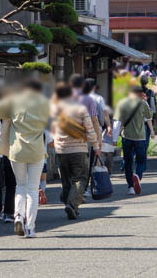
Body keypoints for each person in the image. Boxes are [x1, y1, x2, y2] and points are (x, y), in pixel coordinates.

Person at [0, 80, 50, 238]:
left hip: (17, 150)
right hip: (36, 150)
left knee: (20, 186)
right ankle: (30, 228)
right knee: (33, 188)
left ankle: (18, 217)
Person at [51, 84, 99, 220]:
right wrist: (95, 145)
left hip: (61, 150)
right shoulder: (81, 109)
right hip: (79, 150)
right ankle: (72, 205)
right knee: (80, 178)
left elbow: (51, 131)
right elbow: (90, 130)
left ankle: (71, 207)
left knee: (66, 181)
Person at [113, 84, 153, 195]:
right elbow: (149, 117)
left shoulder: (122, 104)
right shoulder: (143, 103)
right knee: (141, 160)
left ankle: (130, 187)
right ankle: (137, 176)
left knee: (128, 162)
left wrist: (114, 139)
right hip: (140, 137)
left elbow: (117, 123)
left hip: (126, 137)